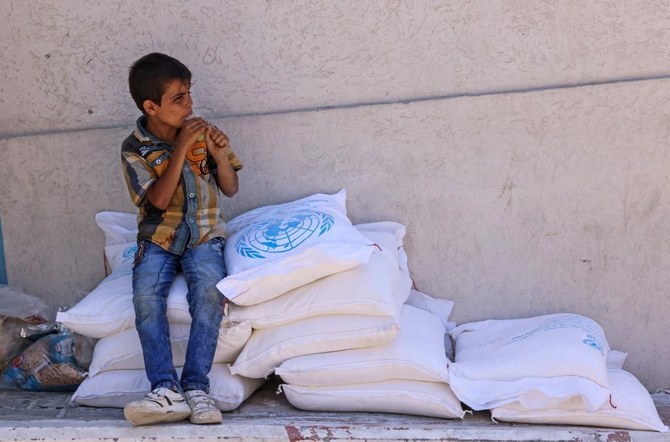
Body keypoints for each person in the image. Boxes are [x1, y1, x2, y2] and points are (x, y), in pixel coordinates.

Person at [120, 52, 242, 426]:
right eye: (179, 98)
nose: (190, 105)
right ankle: (164, 389)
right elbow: (156, 200)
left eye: (190, 94)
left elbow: (231, 188)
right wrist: (179, 152)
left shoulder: (205, 134)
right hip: (158, 236)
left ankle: (195, 386)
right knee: (145, 300)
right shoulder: (133, 148)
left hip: (203, 234)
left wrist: (219, 156)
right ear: (151, 107)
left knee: (208, 291)